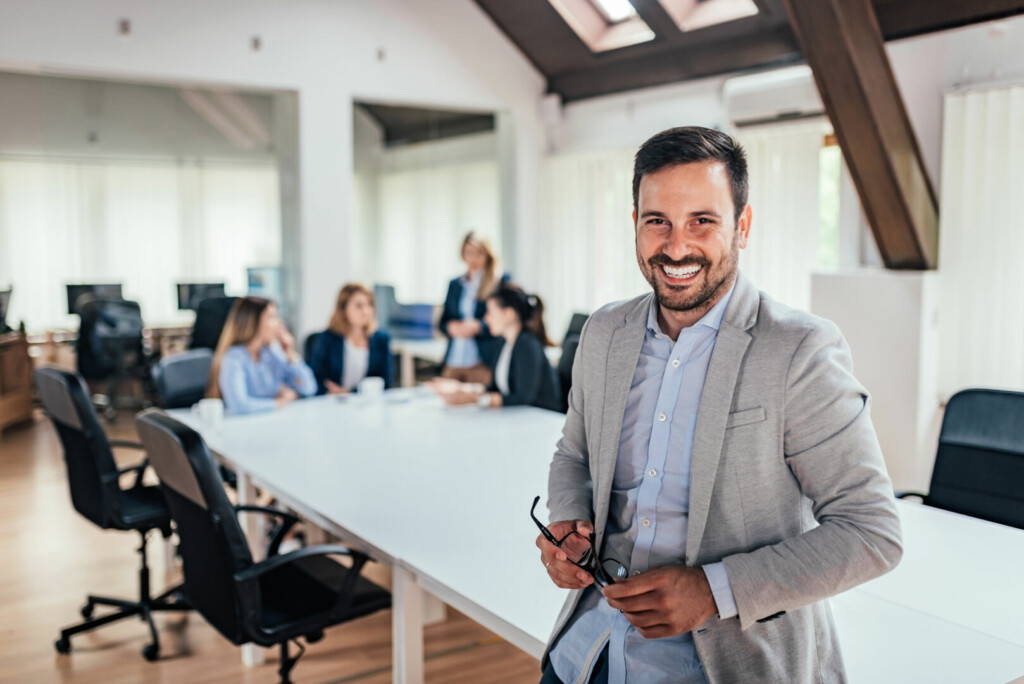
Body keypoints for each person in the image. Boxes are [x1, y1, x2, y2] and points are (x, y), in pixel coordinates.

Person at [537, 126, 902, 683]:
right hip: (586, 656)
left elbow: (872, 531)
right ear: (633, 224)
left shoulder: (799, 349)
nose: (676, 247)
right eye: (656, 220)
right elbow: (574, 453)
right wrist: (567, 525)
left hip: (728, 665)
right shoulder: (606, 331)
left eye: (701, 221)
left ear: (743, 226)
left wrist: (714, 590)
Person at [440, 284, 561, 412]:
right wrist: (462, 389)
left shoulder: (527, 345)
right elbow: (496, 388)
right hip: (518, 417)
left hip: (540, 418)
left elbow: (524, 397)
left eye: (490, 312)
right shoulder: (502, 343)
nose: (486, 319)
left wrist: (476, 400)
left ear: (509, 314)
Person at [207, 296, 315, 415]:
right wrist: (280, 401)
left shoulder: (271, 353)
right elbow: (239, 406)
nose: (279, 323)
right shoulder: (234, 358)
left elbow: (309, 389)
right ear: (253, 322)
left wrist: (290, 353)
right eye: (272, 317)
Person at [438, 231, 506, 385]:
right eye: (469, 253)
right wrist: (450, 328)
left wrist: (478, 326)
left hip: (481, 362)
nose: (473, 259)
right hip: (454, 361)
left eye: (479, 253)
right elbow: (442, 322)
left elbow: (506, 320)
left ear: (487, 255)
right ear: (462, 254)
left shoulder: (498, 282)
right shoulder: (455, 284)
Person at [307, 283, 394, 394]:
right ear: (343, 309)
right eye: (359, 306)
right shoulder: (327, 339)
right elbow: (313, 379)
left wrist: (350, 393)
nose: (366, 311)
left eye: (369, 305)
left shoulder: (381, 339)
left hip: (365, 403)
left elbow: (386, 382)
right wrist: (328, 391)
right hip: (331, 402)